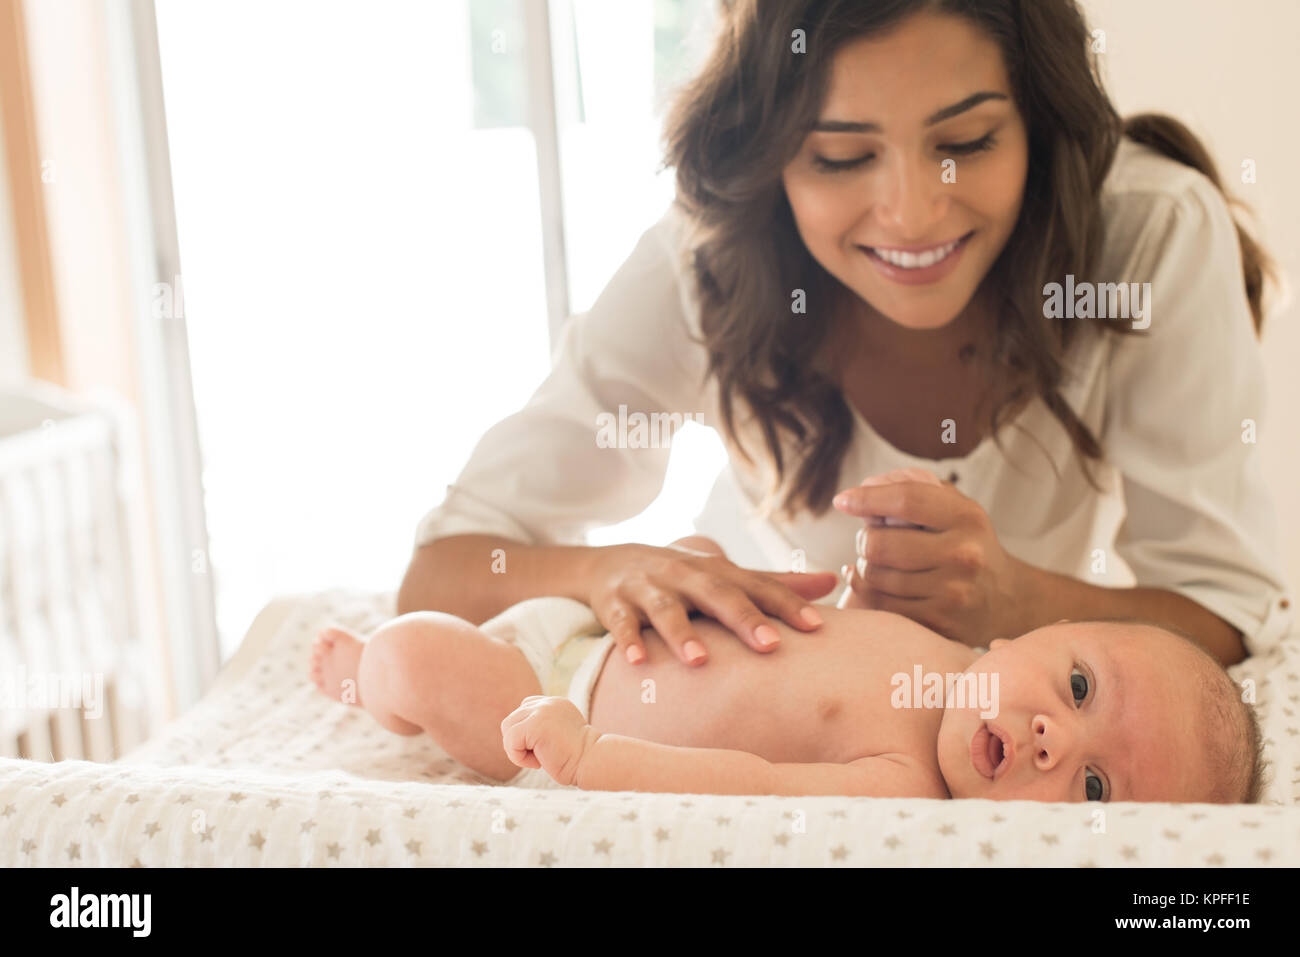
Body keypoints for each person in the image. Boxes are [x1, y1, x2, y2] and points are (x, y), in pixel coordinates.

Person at [399, 0, 1291, 670]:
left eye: (969, 141)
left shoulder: (1148, 235)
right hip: (763, 702)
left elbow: (1229, 612)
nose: (911, 213)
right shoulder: (705, 263)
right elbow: (443, 570)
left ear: (1040, 123)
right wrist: (608, 573)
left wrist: (1015, 599)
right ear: (771, 154)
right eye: (840, 156)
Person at [311, 534, 1265, 801]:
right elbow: (815, 625)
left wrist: (591, 754)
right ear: (1028, 635)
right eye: (1081, 686)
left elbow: (751, 781)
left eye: (1095, 790)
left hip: (555, 703)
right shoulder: (942, 639)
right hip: (625, 620)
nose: (1059, 738)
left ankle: (373, 685)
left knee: (415, 654)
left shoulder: (904, 785)